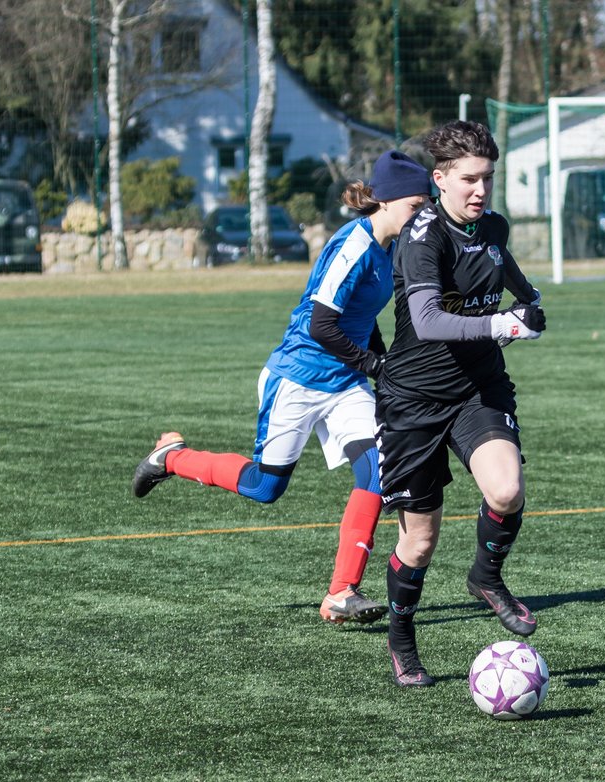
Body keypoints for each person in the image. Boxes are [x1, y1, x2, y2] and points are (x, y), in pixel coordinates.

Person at [131, 150, 432, 623]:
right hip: (298, 379)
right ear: (388, 202)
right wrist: (375, 364)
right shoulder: (352, 246)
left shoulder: (391, 246)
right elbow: (321, 325)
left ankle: (341, 593)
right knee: (264, 487)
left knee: (378, 470)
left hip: (344, 381)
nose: (423, 216)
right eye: (418, 206)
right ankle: (171, 457)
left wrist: (378, 358)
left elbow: (360, 318)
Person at [375, 120, 547, 688]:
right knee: (419, 541)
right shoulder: (422, 238)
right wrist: (503, 322)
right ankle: (402, 640)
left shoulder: (491, 225)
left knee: (507, 490)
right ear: (440, 179)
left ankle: (486, 578)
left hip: (478, 389)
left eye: (488, 179)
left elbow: (506, 268)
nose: (480, 190)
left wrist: (531, 303)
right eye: (469, 179)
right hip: (414, 400)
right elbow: (425, 322)